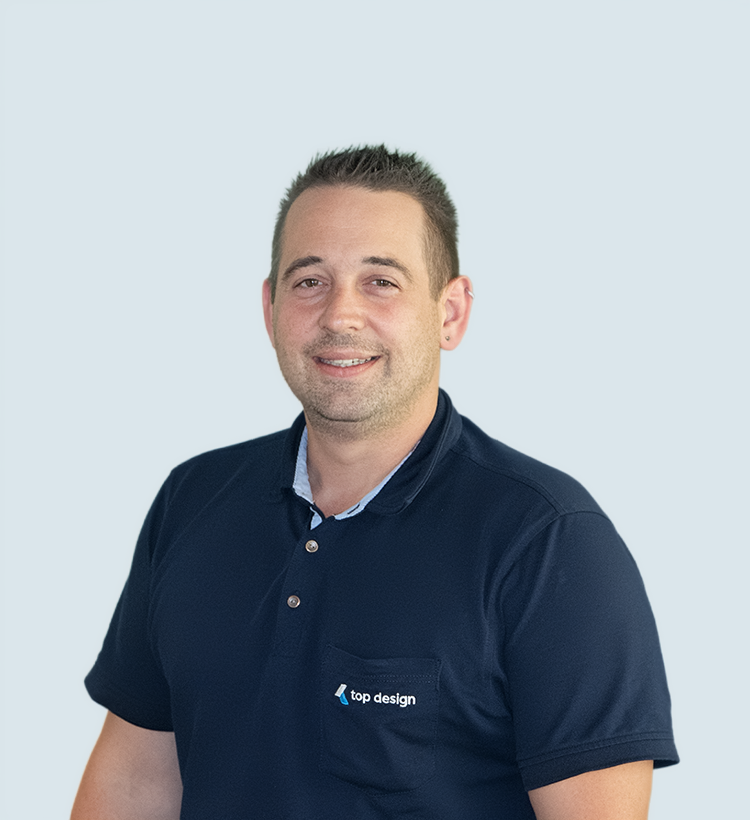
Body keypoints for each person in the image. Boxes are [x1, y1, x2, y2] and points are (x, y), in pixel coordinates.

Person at [71, 146, 678, 819]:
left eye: (381, 281)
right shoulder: (192, 502)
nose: (340, 315)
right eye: (309, 281)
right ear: (270, 308)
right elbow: (133, 785)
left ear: (450, 313)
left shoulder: (548, 544)